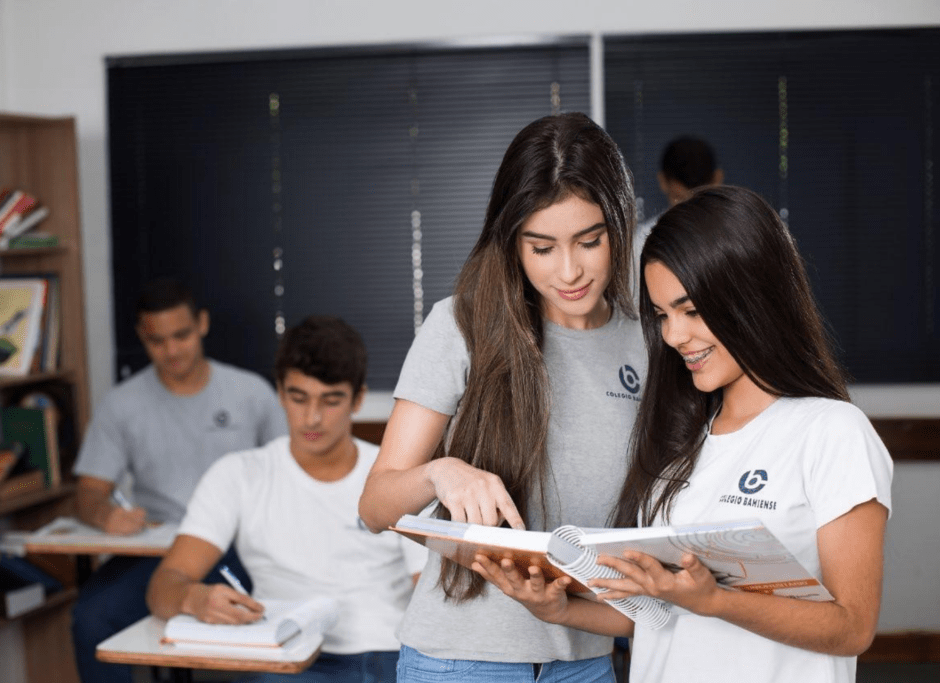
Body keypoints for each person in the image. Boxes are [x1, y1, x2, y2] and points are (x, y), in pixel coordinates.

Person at [473, 185, 893, 683]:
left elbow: (852, 627)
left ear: (754, 298)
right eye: (661, 315)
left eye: (690, 311)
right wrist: (558, 610)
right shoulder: (680, 442)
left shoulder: (832, 431)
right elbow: (659, 615)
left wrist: (716, 600)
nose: (673, 336)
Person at [358, 112, 646, 682]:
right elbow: (374, 508)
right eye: (542, 248)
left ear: (619, 225)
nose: (569, 271)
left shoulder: (648, 343)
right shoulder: (460, 325)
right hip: (460, 662)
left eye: (590, 241)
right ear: (511, 241)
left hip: (585, 661)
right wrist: (441, 472)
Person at [147, 315, 426, 682]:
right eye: (298, 398)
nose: (312, 418)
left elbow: (430, 592)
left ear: (357, 399)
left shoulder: (397, 477)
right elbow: (164, 585)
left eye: (330, 401)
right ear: (279, 393)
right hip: (281, 656)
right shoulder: (238, 475)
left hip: (385, 653)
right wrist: (195, 599)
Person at [71, 277, 288, 683]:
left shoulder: (251, 393)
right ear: (141, 336)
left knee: (261, 620)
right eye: (157, 341)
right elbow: (88, 492)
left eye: (181, 335)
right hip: (159, 552)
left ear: (202, 324)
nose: (171, 351)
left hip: (237, 547)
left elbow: (292, 475)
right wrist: (105, 516)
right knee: (91, 617)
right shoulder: (121, 405)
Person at [633, 136, 723, 300]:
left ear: (717, 179)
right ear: (662, 181)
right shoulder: (642, 243)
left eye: (700, 198)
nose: (690, 210)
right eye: (679, 199)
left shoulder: (737, 237)